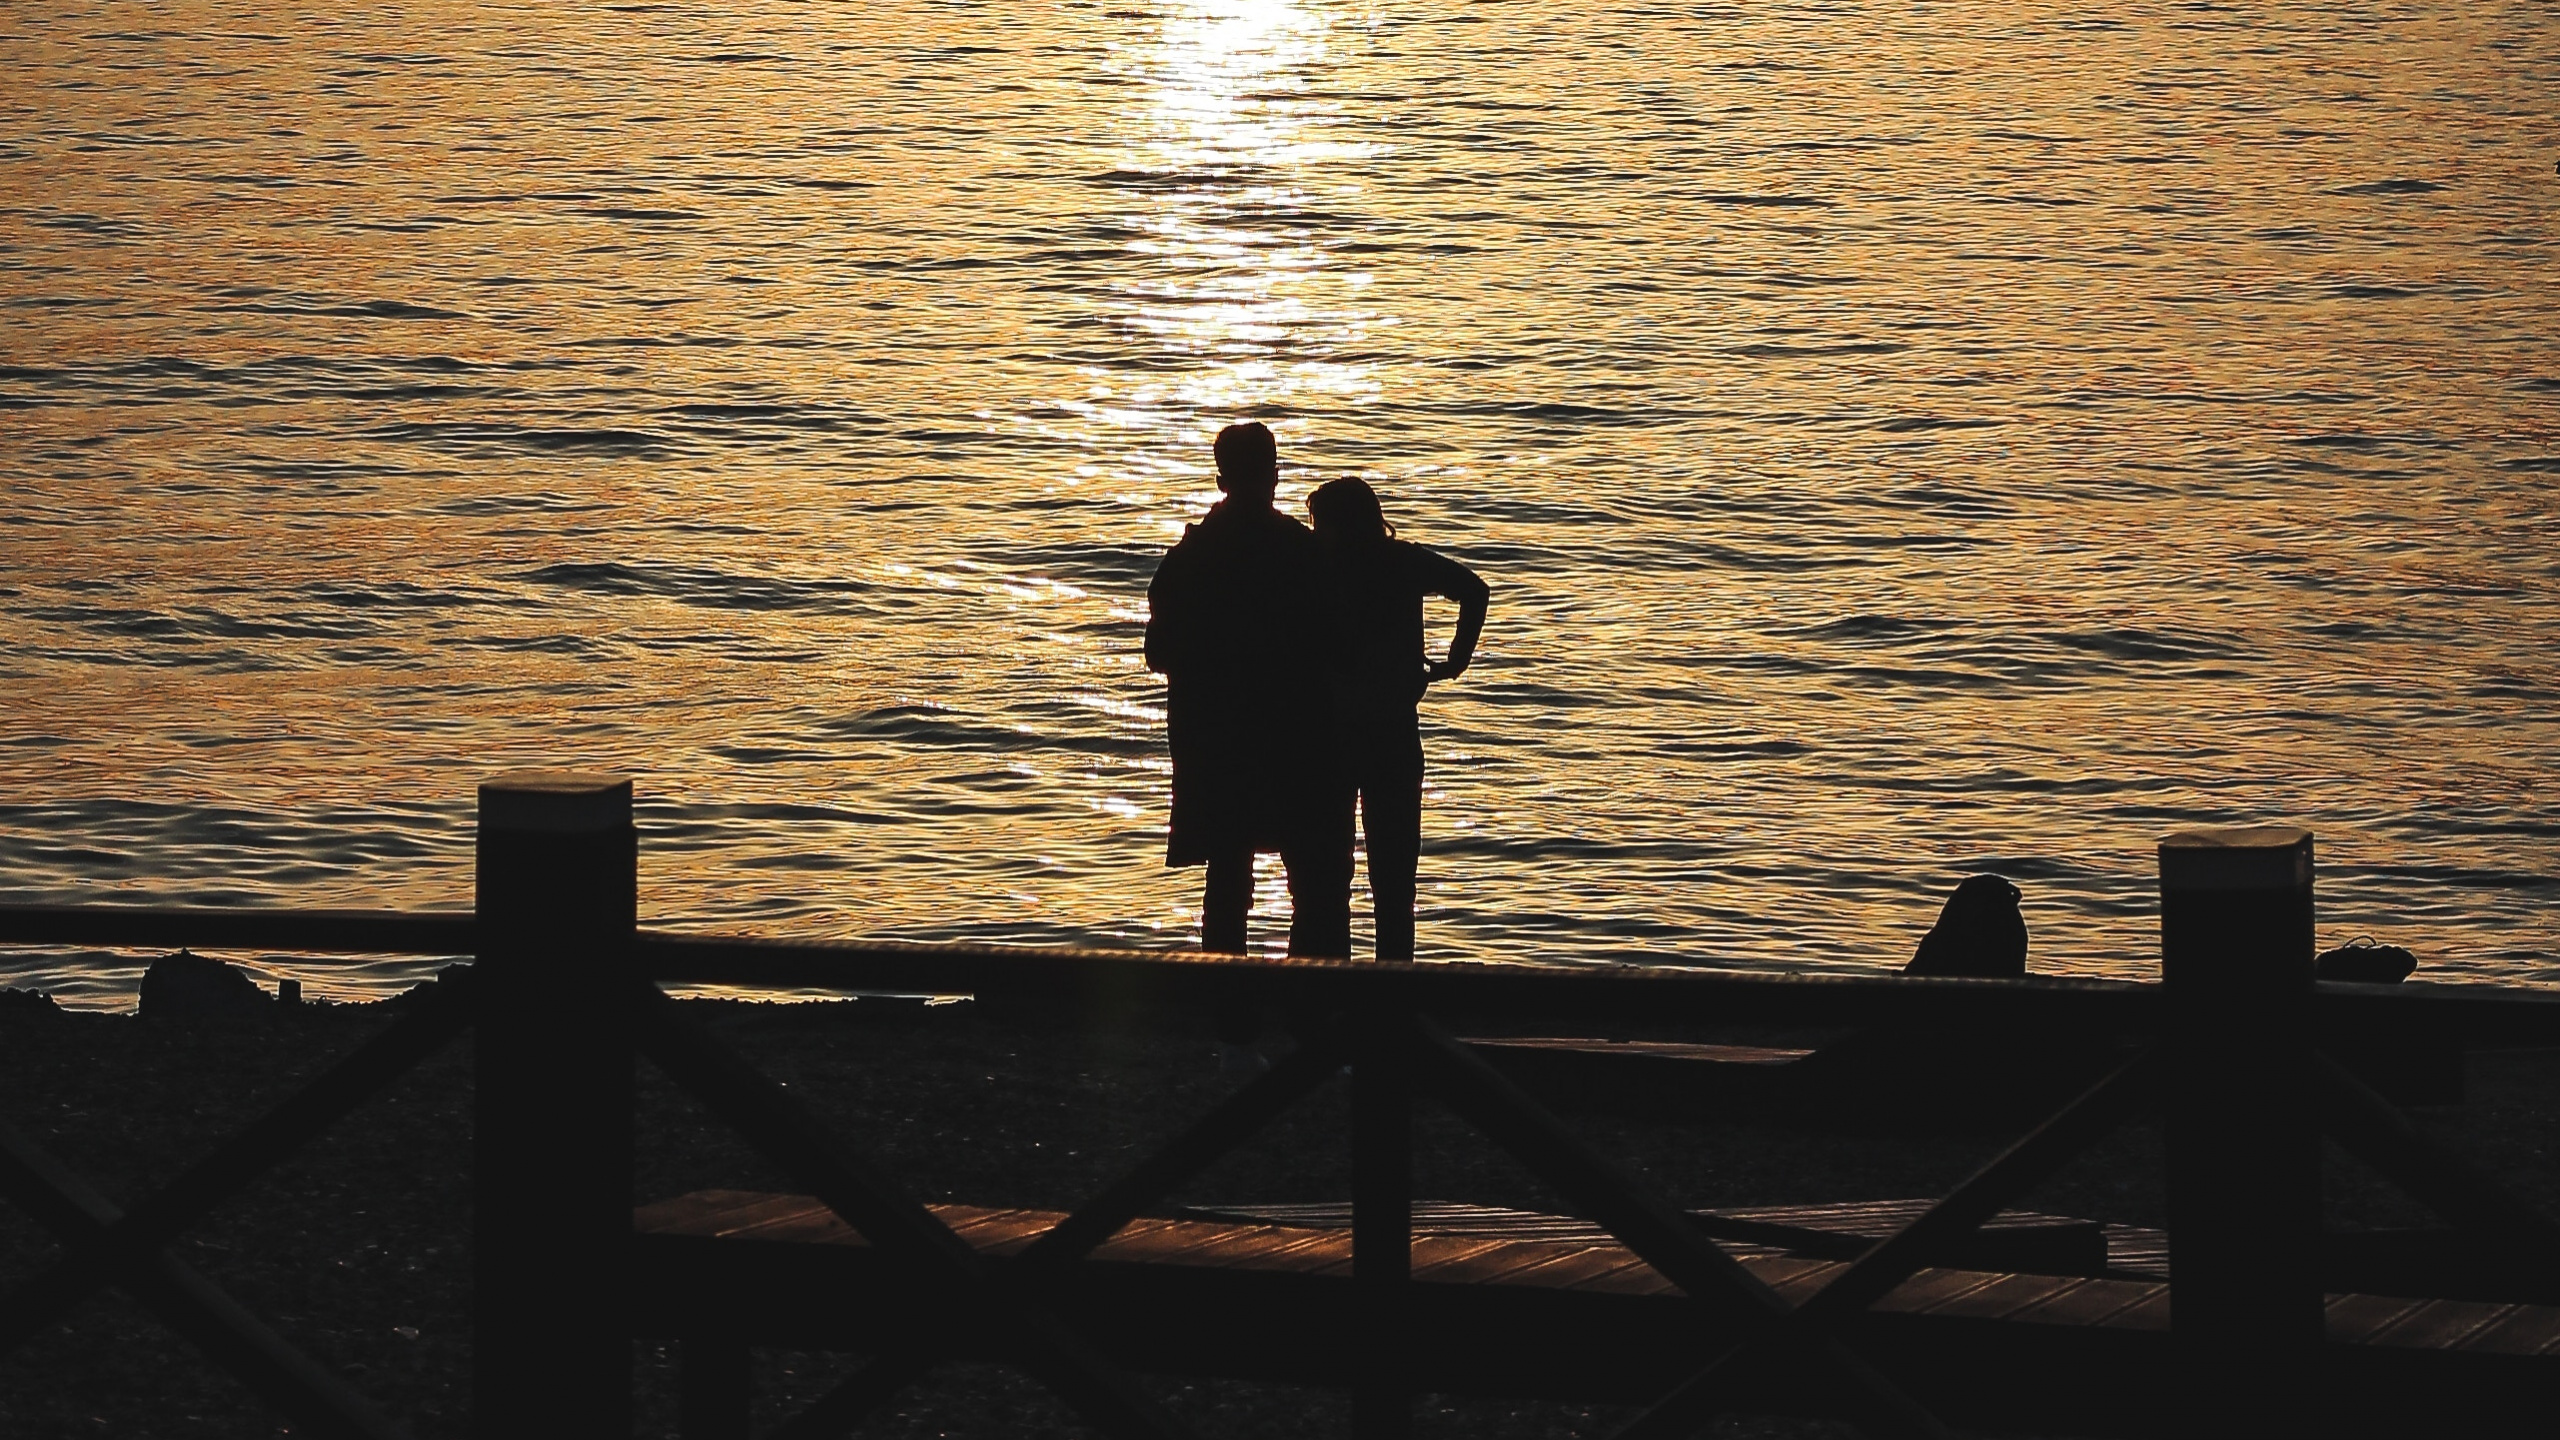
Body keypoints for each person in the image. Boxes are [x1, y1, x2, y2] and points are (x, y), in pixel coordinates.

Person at [1145, 423, 1352, 958]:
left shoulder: (1188, 559)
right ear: (1275, 475)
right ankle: (1311, 1006)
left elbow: (1158, 653)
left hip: (1217, 735)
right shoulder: (1304, 554)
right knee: (1312, 879)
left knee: (1228, 871)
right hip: (1296, 731)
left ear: (1221, 480)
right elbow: (1337, 643)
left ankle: (1227, 1003)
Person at [1305, 477, 1487, 961]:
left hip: (1334, 735)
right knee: (1394, 878)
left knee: (1330, 879)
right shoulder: (1402, 561)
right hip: (1393, 730)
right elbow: (1474, 590)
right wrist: (1455, 659)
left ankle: (1335, 988)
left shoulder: (1319, 566)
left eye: (1319, 522)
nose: (1315, 530)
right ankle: (1394, 990)